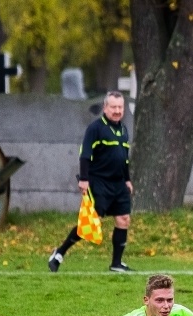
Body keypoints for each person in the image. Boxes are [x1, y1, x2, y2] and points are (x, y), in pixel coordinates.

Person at [49, 90, 134, 273]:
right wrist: (84, 179)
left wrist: (127, 180)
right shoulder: (95, 128)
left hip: (119, 184)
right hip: (99, 183)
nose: (117, 111)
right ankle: (59, 253)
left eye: (120, 107)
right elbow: (85, 155)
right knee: (91, 222)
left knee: (123, 219)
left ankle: (116, 264)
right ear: (105, 107)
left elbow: (124, 159)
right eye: (113, 107)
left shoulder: (123, 130)